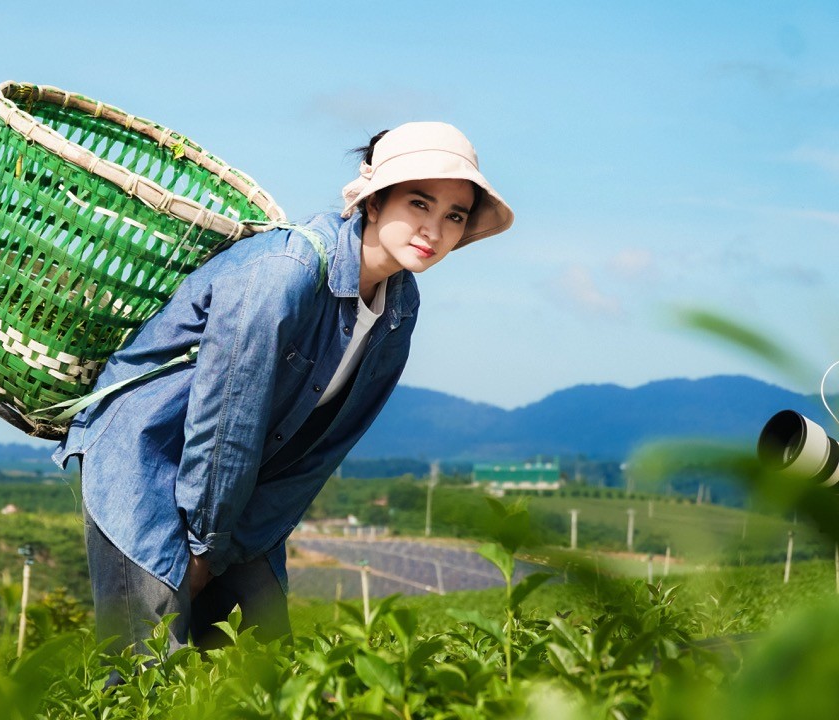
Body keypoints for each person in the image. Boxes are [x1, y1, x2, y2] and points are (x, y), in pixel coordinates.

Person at [53, 121, 514, 654]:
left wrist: (235, 542)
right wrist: (203, 548)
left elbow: (321, 449)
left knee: (262, 660)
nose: (433, 229)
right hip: (146, 456)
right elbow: (227, 420)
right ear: (373, 202)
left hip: (235, 487)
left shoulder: (399, 307)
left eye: (454, 215)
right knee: (148, 663)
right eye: (418, 203)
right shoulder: (284, 273)